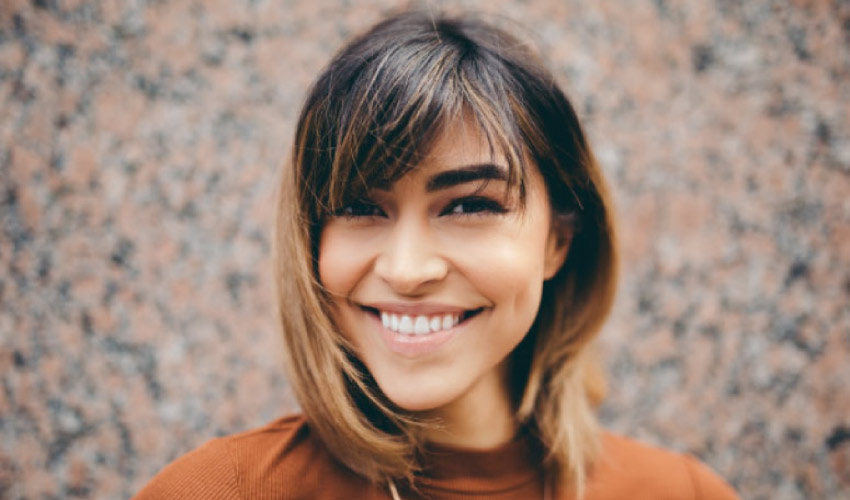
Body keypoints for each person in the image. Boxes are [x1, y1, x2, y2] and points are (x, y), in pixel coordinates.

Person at [134, 10, 739, 500]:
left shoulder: (680, 492)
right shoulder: (223, 492)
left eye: (469, 206)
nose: (407, 269)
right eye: (359, 207)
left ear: (558, 240)